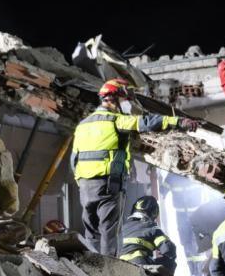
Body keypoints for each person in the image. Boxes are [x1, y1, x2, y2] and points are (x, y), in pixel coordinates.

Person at [71, 79, 199, 256]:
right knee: (109, 231)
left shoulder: (83, 125)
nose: (127, 104)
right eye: (125, 99)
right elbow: (146, 122)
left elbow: (74, 159)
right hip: (109, 184)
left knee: (91, 231)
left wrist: (80, 181)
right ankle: (109, 273)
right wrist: (177, 121)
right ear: (114, 99)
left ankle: (92, 267)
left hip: (85, 186)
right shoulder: (116, 120)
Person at [159, 173, 207, 276]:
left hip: (195, 214)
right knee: (186, 243)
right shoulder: (172, 176)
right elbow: (162, 190)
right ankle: (194, 273)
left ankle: (199, 272)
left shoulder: (193, 172)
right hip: (182, 215)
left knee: (196, 242)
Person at [119, 196, 177, 274]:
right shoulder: (151, 227)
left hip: (119, 267)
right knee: (170, 262)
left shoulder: (123, 227)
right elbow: (169, 249)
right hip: (139, 266)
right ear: (153, 212)